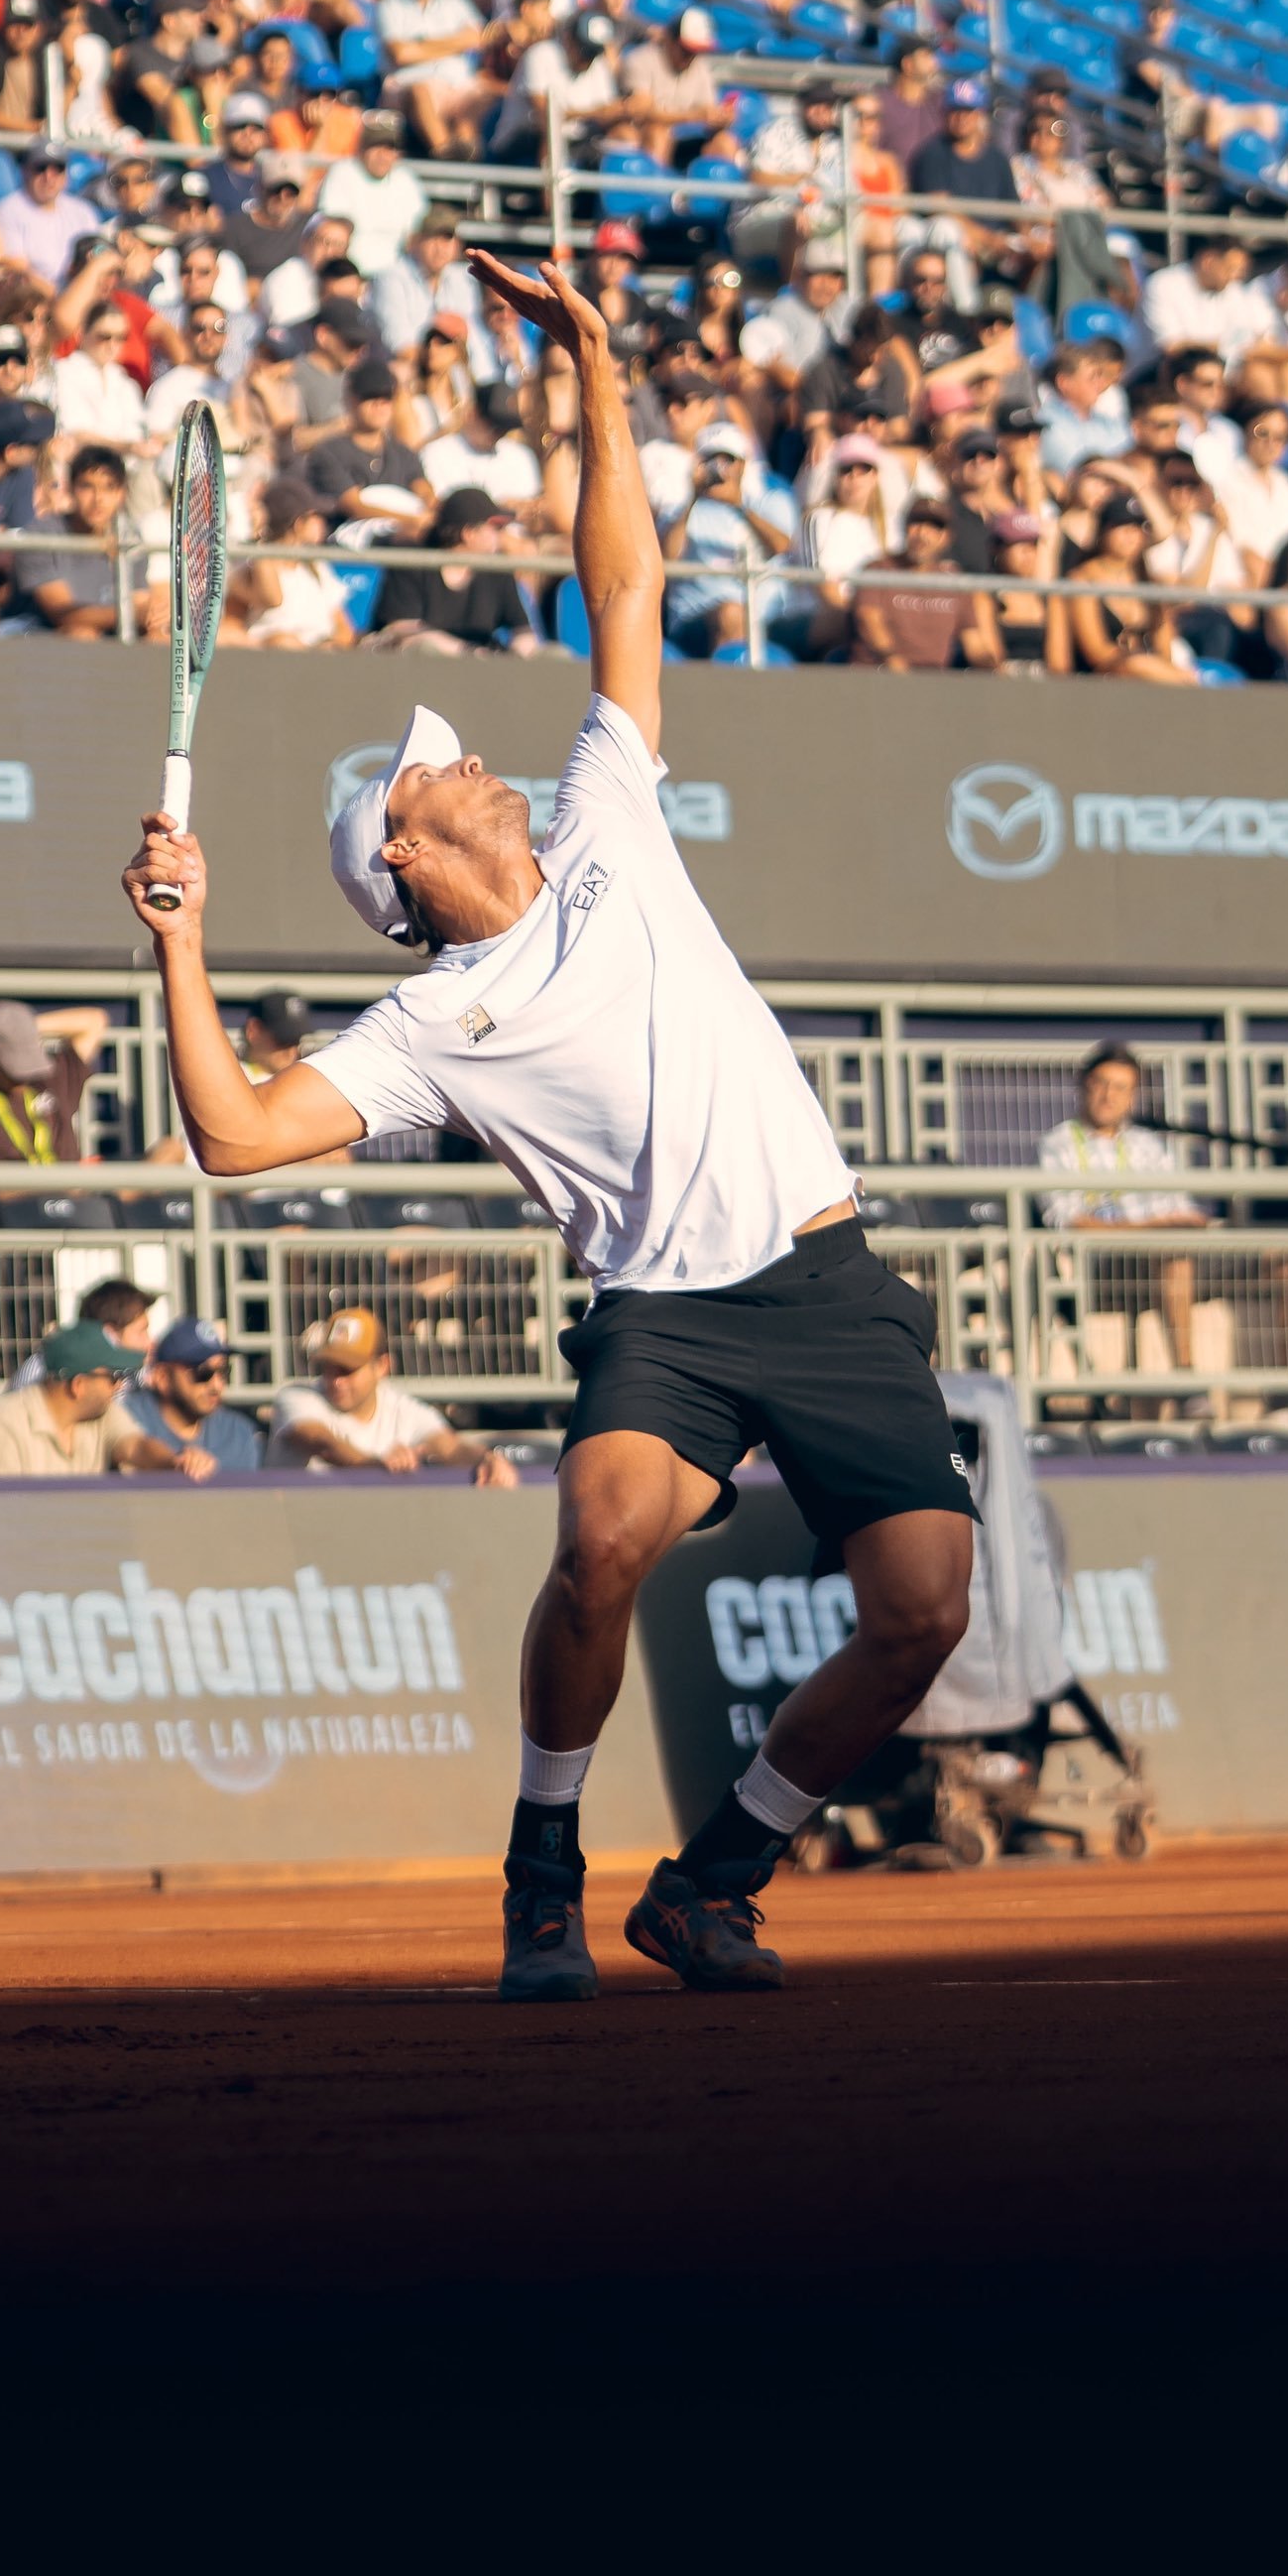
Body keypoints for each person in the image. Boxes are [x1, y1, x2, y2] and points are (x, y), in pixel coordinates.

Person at [124, 247, 975, 2003]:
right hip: (667, 1323)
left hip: (826, 1282)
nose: (477, 765)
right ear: (407, 864)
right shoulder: (426, 1022)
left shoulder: (604, 813)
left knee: (925, 1611)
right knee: (595, 1551)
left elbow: (626, 574)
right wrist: (182, 944)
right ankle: (541, 1871)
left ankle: (715, 1877)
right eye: (438, 777)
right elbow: (229, 1135)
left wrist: (594, 365)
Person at [1035, 1044, 1212, 1376]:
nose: (1108, 1096)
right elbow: (1069, 1223)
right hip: (1102, 1269)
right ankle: (1189, 1381)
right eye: (1101, 1083)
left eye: (1120, 1087)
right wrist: (1152, 1231)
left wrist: (1187, 1225)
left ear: (1133, 1095)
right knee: (1174, 1260)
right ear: (1084, 1084)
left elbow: (1180, 1209)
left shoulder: (1148, 1144)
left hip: (1165, 1254)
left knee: (1286, 1258)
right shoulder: (1058, 1143)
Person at [268, 1306, 513, 1479]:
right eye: (328, 1368)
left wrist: (487, 1459)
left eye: (347, 1370)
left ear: (382, 1366)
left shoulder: (400, 1408)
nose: (336, 1380)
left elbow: (449, 1447)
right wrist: (377, 1465)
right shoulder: (297, 1397)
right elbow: (322, 1443)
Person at [0, 1317, 145, 1475]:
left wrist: (171, 1461)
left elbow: (136, 1447)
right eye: (113, 1377)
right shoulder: (2, 1422)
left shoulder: (101, 1413)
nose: (119, 1385)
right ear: (78, 1385)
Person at [0, 1000, 108, 1163]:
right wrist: (61, 1182)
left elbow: (94, 1021)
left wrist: (25, 1029)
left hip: (79, 1191)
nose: (24, 1076)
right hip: (52, 1190)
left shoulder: (52, 1079)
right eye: (13, 1065)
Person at [111, 1315, 265, 1477]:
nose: (217, 1385)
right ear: (163, 1377)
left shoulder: (238, 1434)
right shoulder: (128, 1418)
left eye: (223, 1371)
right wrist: (176, 1462)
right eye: (202, 1373)